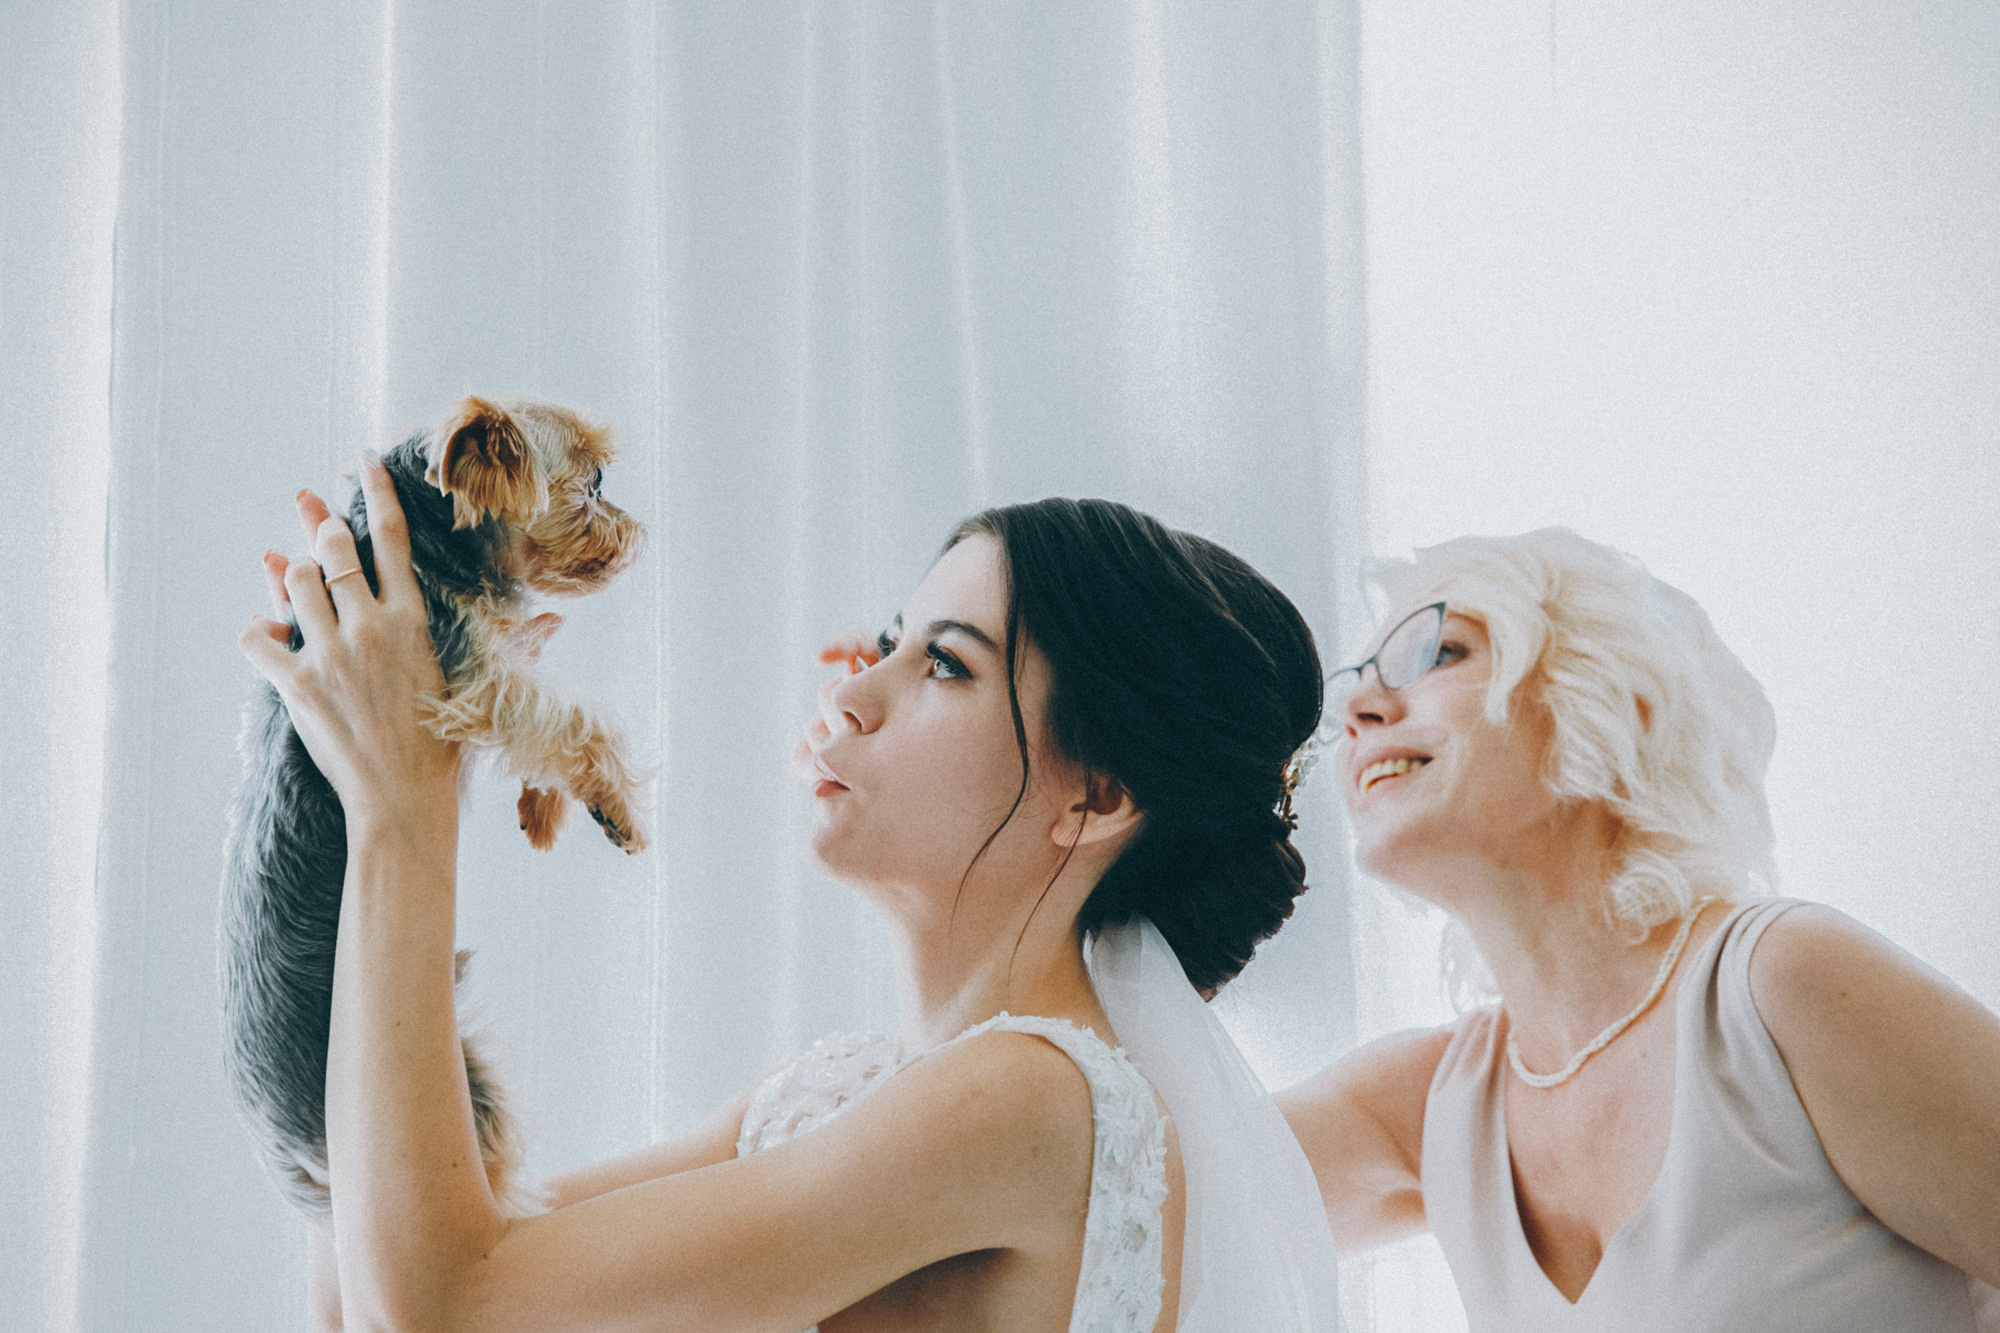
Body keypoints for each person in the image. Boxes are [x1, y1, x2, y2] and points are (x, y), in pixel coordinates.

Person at [242, 470, 1339, 1332]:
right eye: (884, 641)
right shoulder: (831, 1096)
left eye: (943, 667)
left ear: (1097, 795)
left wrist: (402, 809)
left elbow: (446, 1306)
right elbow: (367, 1282)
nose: (851, 694)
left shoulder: (1031, 1100)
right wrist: (351, 784)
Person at [1278, 528, 2000, 1331]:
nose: (1358, 708)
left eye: (1439, 653)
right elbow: (1135, 1202)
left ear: (1605, 699)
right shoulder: (1433, 1104)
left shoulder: (1779, 988)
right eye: (1356, 685)